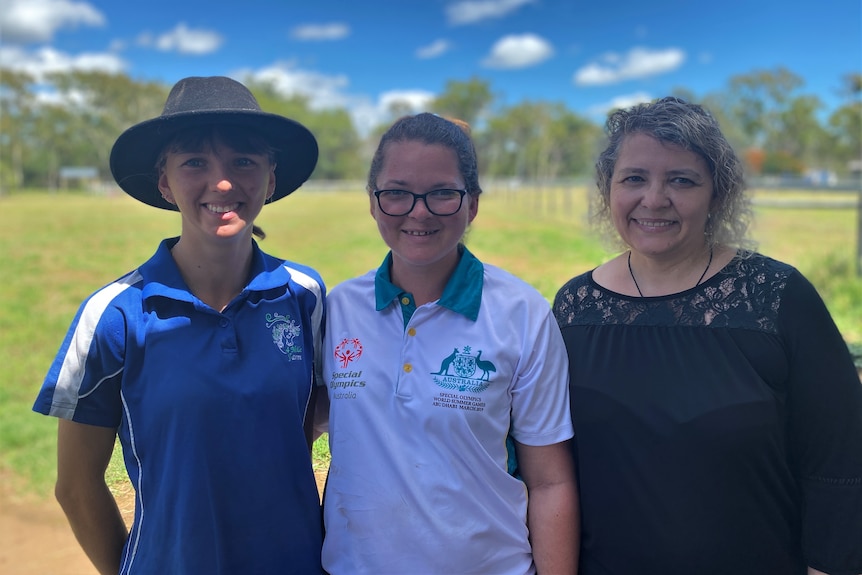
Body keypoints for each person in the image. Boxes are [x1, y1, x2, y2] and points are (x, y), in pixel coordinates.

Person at [553, 96, 862, 575]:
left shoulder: (776, 297)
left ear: (717, 194)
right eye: (634, 178)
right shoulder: (574, 308)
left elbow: (840, 455)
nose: (654, 199)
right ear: (607, 190)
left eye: (682, 180)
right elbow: (554, 469)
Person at [32, 76, 326, 575]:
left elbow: (302, 431)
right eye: (195, 162)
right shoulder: (114, 315)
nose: (224, 182)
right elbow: (76, 487)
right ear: (164, 182)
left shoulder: (305, 295)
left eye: (244, 162)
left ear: (270, 179)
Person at [319, 113, 579, 574]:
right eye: (397, 192)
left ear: (472, 204)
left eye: (442, 193)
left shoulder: (522, 314)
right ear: (374, 202)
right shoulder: (337, 310)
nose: (419, 212)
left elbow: (550, 482)